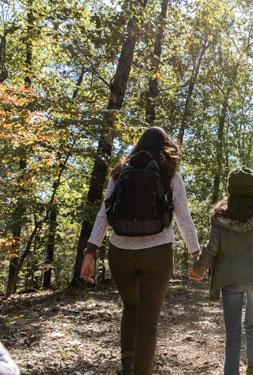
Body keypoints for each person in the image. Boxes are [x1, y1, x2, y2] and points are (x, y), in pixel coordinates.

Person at [80, 127, 201, 375]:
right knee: (147, 323)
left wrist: (90, 251)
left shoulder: (120, 172)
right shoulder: (170, 174)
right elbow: (183, 218)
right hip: (157, 253)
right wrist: (195, 253)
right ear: (165, 146)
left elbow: (104, 213)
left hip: (120, 252)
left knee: (131, 308)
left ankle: (126, 367)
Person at [188, 167, 253, 375]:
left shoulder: (219, 216)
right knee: (251, 323)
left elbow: (211, 247)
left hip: (229, 277)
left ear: (229, 189)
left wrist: (198, 269)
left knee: (232, 334)